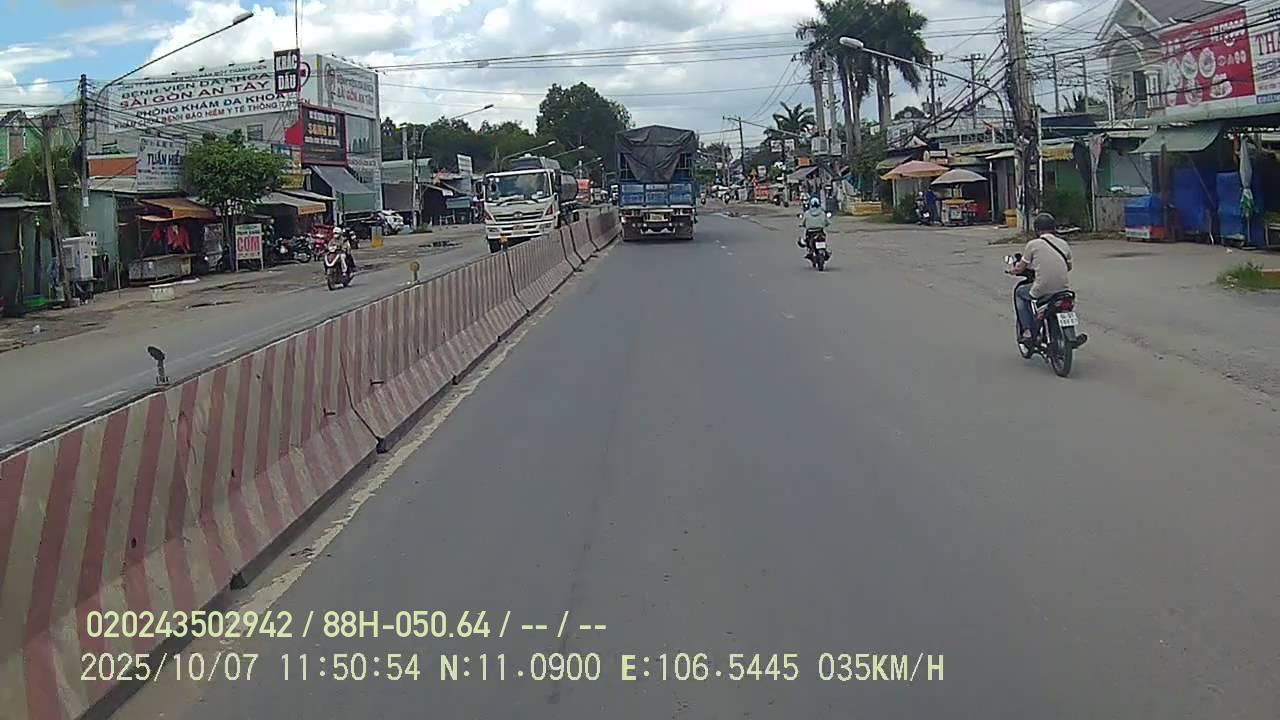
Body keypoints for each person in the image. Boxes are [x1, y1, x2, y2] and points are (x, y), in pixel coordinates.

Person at [1007, 212, 1072, 346]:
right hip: (1063, 289)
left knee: (1020, 293)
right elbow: (1068, 267)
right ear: (1053, 228)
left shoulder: (1033, 245)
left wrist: (1012, 270)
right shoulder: (1063, 244)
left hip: (1042, 287)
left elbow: (1020, 267)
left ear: (1037, 229)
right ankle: (1070, 336)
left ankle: (1027, 331)